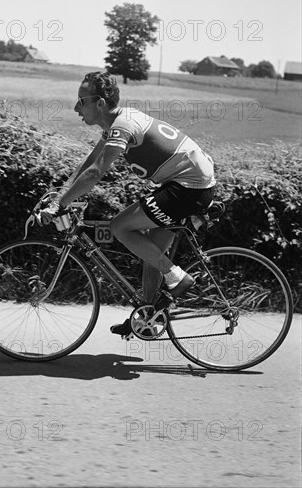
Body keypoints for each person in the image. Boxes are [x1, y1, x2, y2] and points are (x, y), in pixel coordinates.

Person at [40, 72, 216, 337]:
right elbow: (87, 165)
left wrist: (59, 206)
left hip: (189, 187)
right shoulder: (115, 124)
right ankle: (147, 316)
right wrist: (59, 198)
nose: (76, 108)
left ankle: (178, 279)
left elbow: (96, 173)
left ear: (99, 103)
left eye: (81, 101)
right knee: (151, 252)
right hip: (187, 184)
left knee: (120, 227)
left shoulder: (122, 126)